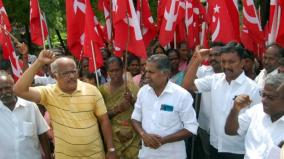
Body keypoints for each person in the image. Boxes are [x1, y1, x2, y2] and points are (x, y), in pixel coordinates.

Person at [13, 50, 117, 159]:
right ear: (55, 76)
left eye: (73, 71)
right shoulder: (48, 93)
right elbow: (18, 90)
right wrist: (39, 62)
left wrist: (111, 149)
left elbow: (104, 120)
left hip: (95, 155)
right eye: (66, 73)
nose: (71, 76)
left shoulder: (92, 90)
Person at [183, 42, 261, 159]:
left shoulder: (253, 89)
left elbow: (257, 123)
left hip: (238, 150)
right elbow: (187, 85)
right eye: (223, 61)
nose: (226, 66)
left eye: (231, 62)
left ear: (243, 62)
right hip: (214, 146)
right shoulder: (215, 80)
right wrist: (197, 60)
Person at [131, 54, 198, 159]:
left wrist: (163, 140)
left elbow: (191, 128)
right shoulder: (143, 92)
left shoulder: (182, 95)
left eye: (151, 72)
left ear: (166, 73)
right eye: (146, 71)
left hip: (173, 156)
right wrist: (143, 135)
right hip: (146, 155)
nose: (147, 75)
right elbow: (135, 118)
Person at [225, 74, 284, 159]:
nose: (263, 100)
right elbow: (230, 131)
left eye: (270, 97)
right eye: (263, 94)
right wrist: (235, 110)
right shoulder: (256, 110)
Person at [0, 70, 51, 159]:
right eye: (0, 90)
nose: (4, 92)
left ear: (14, 86)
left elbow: (42, 134)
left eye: (7, 88)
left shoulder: (30, 106)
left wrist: (48, 156)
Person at [99, 56, 141, 159]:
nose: (114, 74)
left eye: (117, 70)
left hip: (133, 136)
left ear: (122, 69)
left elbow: (142, 111)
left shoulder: (133, 88)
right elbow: (100, 117)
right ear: (107, 72)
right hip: (113, 138)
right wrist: (118, 110)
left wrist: (132, 101)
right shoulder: (102, 91)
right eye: (111, 71)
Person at [194, 42, 224, 159]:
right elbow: (187, 81)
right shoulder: (204, 71)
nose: (213, 58)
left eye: (217, 55)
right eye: (211, 55)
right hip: (205, 126)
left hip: (225, 131)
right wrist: (197, 57)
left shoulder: (232, 75)